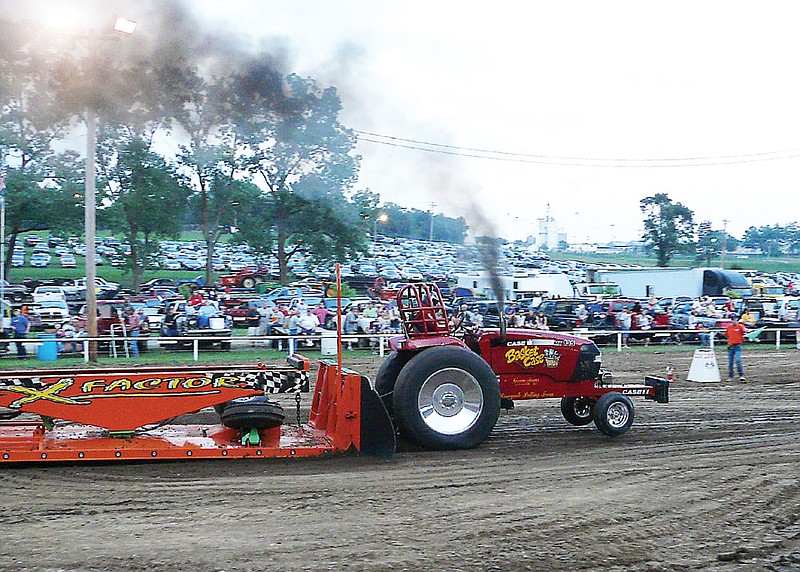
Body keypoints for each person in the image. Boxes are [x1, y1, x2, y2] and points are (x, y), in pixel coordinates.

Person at [724, 315, 747, 382]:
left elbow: (745, 332)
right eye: (732, 319)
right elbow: (726, 335)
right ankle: (731, 376)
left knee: (737, 360)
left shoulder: (740, 326)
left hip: (737, 345)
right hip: (731, 346)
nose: (733, 321)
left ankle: (741, 375)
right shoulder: (729, 327)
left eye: (734, 319)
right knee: (730, 362)